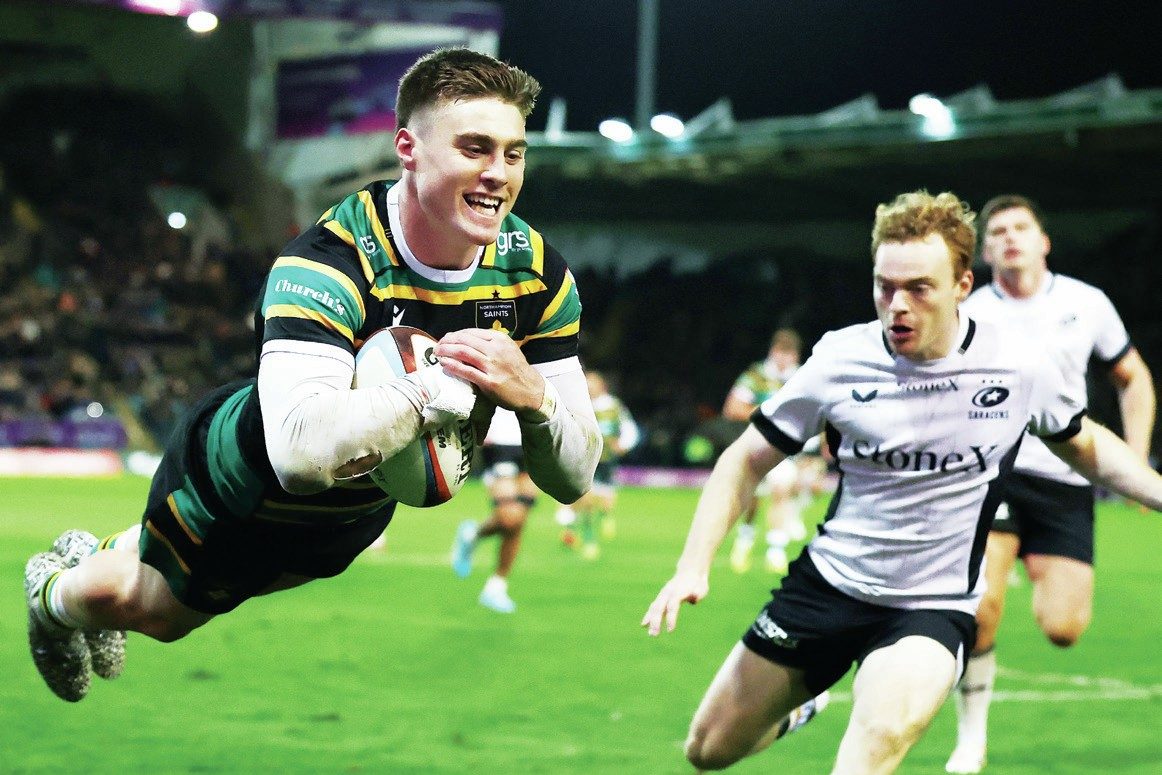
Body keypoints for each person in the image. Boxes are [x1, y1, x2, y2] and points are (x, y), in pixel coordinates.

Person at [23, 47, 601, 703]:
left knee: (168, 593)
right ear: (408, 148)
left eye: (513, 152)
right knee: (151, 610)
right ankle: (52, 594)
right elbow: (298, 454)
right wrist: (433, 389)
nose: (498, 173)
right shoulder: (332, 257)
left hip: (355, 508)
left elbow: (575, 474)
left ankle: (103, 546)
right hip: (248, 476)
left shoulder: (538, 273)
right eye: (475, 148)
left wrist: (534, 398)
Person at [641, 190, 1162, 775]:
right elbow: (745, 461)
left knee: (871, 747)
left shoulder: (1017, 365)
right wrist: (693, 564)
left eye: (919, 288)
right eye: (884, 287)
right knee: (707, 751)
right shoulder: (840, 359)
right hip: (828, 587)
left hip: (930, 606)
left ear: (963, 285)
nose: (897, 306)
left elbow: (1086, 446)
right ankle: (798, 709)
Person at [945, 195, 1156, 773]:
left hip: (1067, 478)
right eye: (998, 232)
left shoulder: (1087, 304)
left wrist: (1134, 463)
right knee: (982, 605)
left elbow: (1132, 378)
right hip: (996, 471)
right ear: (985, 253)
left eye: (1021, 228)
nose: (1010, 238)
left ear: (1044, 241)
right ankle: (971, 739)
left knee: (1064, 628)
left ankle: (1024, 561)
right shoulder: (968, 311)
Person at [722, 329, 812, 574]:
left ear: (795, 356)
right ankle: (746, 536)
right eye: (780, 353)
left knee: (781, 491)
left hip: (786, 449)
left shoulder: (803, 377)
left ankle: (776, 549)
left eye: (789, 354)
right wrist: (767, 411)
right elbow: (732, 408)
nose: (784, 359)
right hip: (756, 445)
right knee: (753, 499)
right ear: (773, 353)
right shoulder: (756, 376)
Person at [451, 407, 539, 613]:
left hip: (534, 439)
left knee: (518, 522)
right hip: (501, 442)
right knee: (510, 517)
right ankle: (473, 535)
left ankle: (496, 586)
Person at [559, 369, 640, 559]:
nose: (589, 387)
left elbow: (627, 426)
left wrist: (624, 444)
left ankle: (602, 517)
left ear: (602, 385)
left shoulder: (613, 406)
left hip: (607, 458)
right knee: (585, 499)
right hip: (584, 458)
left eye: (592, 383)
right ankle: (587, 537)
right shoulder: (577, 403)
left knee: (605, 498)